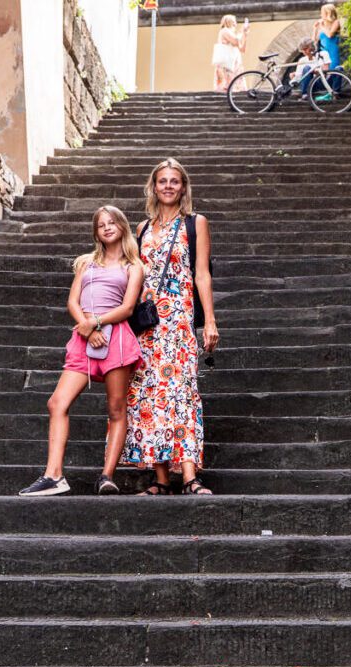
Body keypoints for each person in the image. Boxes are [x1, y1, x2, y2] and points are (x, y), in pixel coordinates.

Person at [19, 206, 144, 497]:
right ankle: (54, 475)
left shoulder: (133, 266)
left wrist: (96, 322)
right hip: (84, 338)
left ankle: (107, 476)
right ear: (96, 232)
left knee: (115, 408)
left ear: (123, 227)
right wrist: (85, 325)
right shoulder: (87, 263)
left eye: (112, 222)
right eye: (101, 225)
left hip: (117, 339)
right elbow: (72, 301)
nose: (107, 227)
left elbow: (127, 307)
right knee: (56, 403)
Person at [124, 158, 219, 495]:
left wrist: (209, 320)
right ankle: (161, 479)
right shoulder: (142, 229)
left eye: (174, 181)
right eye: (162, 181)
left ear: (183, 187)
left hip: (179, 323)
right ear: (153, 186)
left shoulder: (196, 223)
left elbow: (202, 274)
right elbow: (135, 275)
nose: (167, 186)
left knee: (179, 393)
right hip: (149, 325)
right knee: (151, 396)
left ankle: (190, 477)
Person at [213, 14, 249, 93]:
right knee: (227, 86)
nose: (235, 24)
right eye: (234, 22)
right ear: (229, 22)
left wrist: (245, 35)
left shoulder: (233, 34)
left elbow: (242, 49)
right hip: (226, 62)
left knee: (235, 86)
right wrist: (242, 31)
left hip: (233, 61)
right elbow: (236, 41)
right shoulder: (224, 31)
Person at [312, 3, 342, 92]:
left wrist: (322, 26)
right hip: (324, 53)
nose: (321, 15)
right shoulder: (323, 25)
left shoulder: (336, 22)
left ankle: (335, 91)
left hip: (332, 51)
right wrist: (315, 28)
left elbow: (329, 35)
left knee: (334, 70)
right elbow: (314, 40)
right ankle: (327, 91)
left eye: (322, 12)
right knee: (324, 73)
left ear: (328, 13)